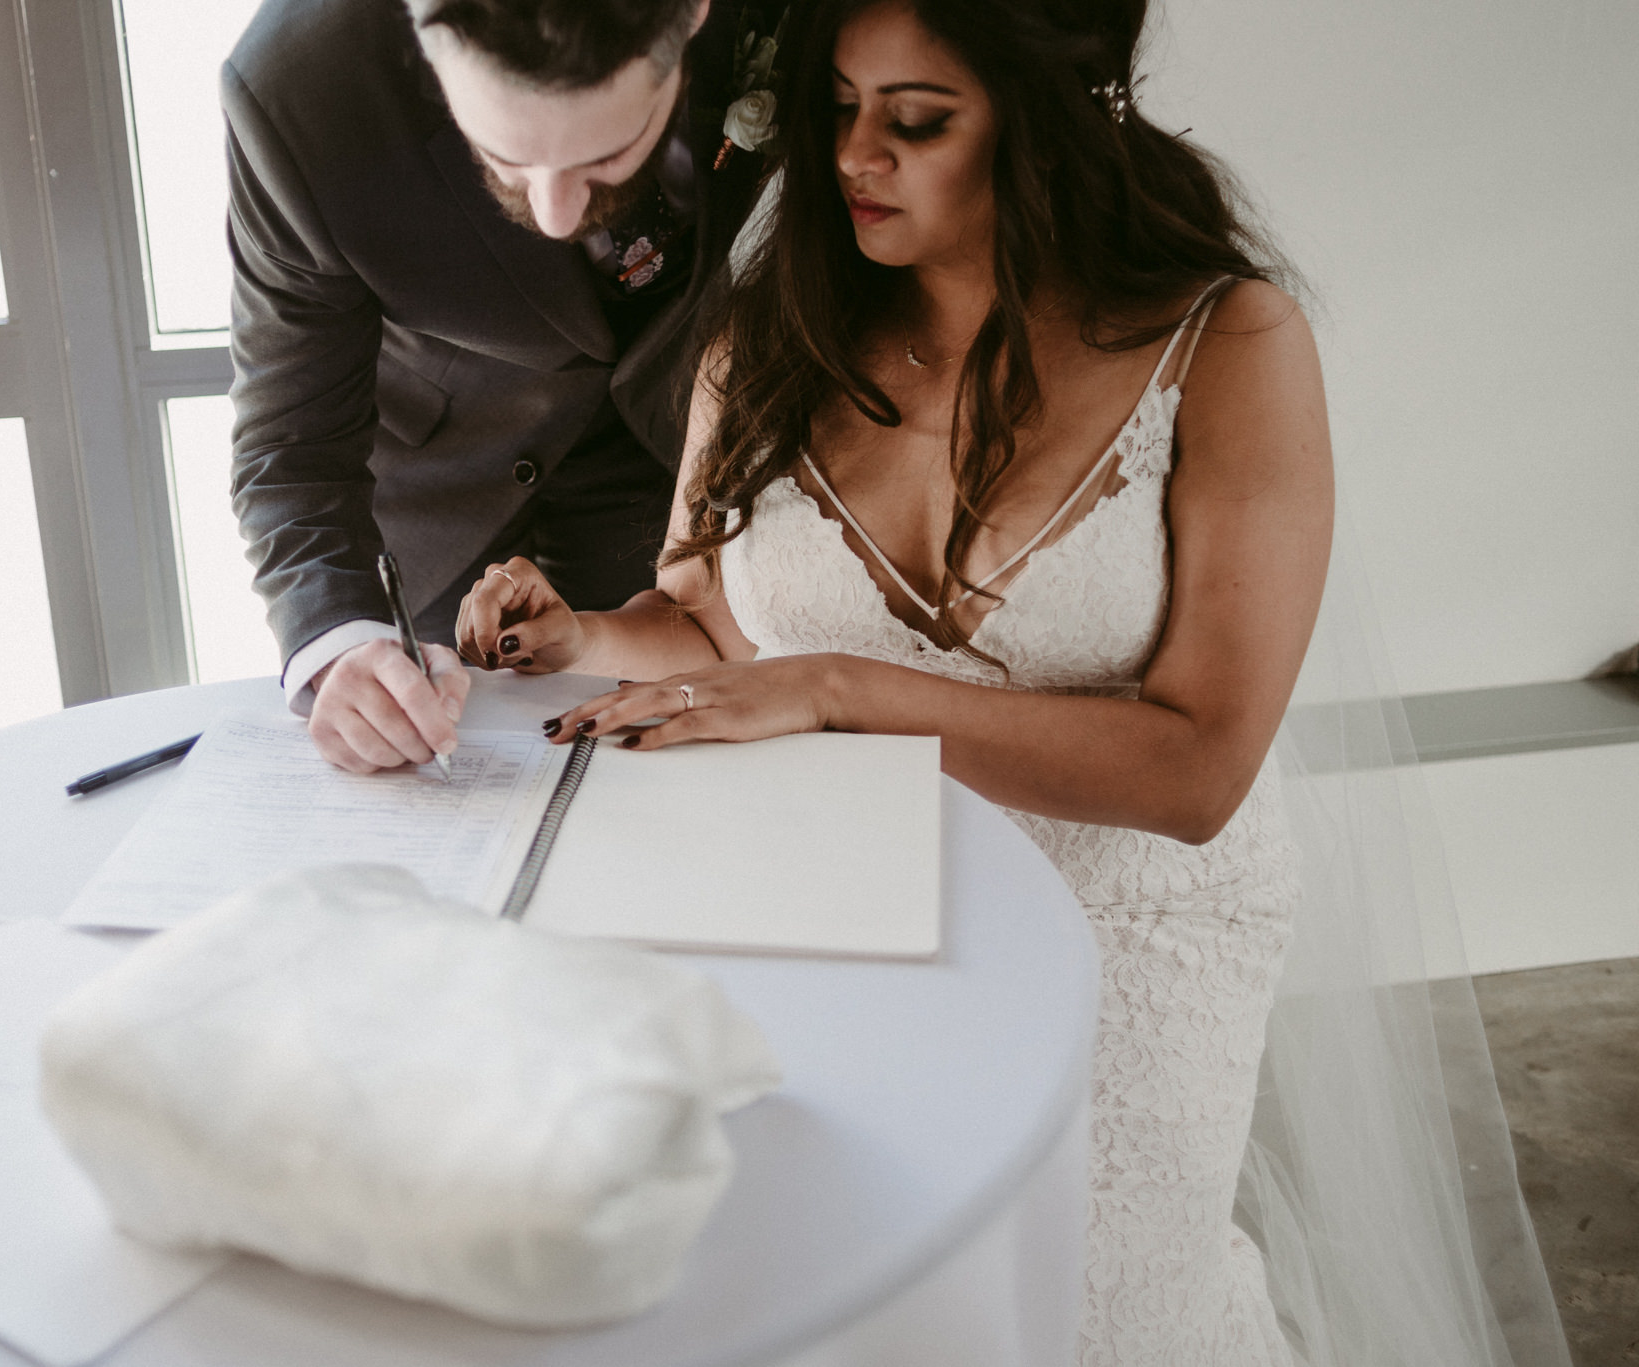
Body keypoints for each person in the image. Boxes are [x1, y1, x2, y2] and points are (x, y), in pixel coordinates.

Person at [453, 1, 1571, 1363]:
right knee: (885, 1305)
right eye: (842, 107)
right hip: (851, 910)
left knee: (1097, 1314)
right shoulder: (772, 340)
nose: (856, 153)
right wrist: (579, 636)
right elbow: (707, 629)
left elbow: (1200, 764)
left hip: (1136, 934)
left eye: (917, 120)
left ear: (1048, 128)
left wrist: (848, 691)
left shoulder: (1226, 346)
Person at [223, 0, 783, 773]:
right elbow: (290, 438)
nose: (556, 216)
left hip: (685, 508)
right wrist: (338, 644)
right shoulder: (302, 87)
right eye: (507, 158)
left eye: (607, 155)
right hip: (439, 504)